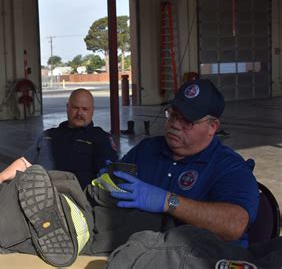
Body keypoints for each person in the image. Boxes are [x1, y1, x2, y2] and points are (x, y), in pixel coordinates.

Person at [108, 79, 259, 247]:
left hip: (205, 259)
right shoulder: (146, 150)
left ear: (212, 127)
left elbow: (235, 224)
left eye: (186, 120)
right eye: (172, 114)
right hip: (144, 251)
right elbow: (116, 189)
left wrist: (168, 201)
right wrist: (107, 181)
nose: (174, 124)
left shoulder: (230, 167)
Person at [0, 88, 119, 188]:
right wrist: (0, 177)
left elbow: (107, 176)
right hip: (39, 196)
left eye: (85, 109)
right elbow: (25, 162)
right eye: (75, 108)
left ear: (92, 111)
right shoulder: (49, 135)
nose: (79, 113)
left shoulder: (100, 138)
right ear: (67, 108)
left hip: (76, 202)